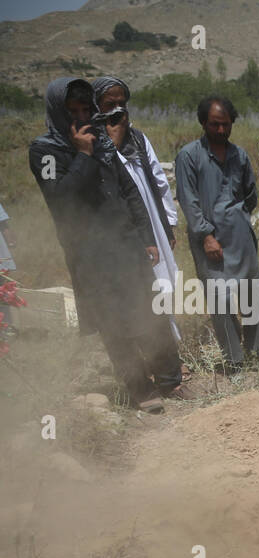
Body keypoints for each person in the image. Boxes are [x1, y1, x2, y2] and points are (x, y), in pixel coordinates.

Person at [30, 78, 184, 411]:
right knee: (114, 325)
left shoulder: (101, 140)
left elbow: (129, 189)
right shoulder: (44, 151)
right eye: (73, 111)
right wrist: (84, 156)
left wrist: (146, 237)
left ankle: (171, 381)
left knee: (151, 312)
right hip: (91, 255)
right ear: (58, 112)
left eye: (87, 109)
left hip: (127, 244)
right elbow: (60, 199)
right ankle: (141, 391)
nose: (82, 117)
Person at [175, 94, 259, 369]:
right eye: (215, 124)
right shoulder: (189, 156)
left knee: (250, 294)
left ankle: (258, 353)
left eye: (226, 124)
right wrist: (206, 235)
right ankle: (234, 360)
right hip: (210, 240)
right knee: (220, 299)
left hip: (240, 235)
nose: (221, 130)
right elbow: (189, 201)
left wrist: (236, 218)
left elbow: (250, 195)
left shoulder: (239, 155)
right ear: (203, 123)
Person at [93, 76, 183, 344]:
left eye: (122, 103)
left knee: (161, 284)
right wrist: (113, 142)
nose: (118, 109)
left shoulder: (139, 139)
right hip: (119, 229)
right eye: (110, 104)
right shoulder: (92, 142)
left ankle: (169, 346)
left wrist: (168, 225)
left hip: (152, 223)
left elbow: (159, 181)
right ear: (97, 105)